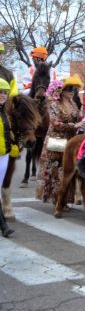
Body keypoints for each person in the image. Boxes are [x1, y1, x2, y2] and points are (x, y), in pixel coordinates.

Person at [36, 76, 85, 204]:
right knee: (56, 171)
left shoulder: (74, 103)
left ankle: (64, 200)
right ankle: (57, 201)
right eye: (68, 89)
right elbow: (55, 123)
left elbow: (77, 119)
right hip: (56, 140)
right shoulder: (54, 104)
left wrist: (84, 120)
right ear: (61, 91)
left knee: (68, 169)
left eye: (73, 89)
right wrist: (74, 125)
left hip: (70, 141)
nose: (72, 92)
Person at [0, 79, 16, 237]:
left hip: (4, 154)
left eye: (5, 92)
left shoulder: (4, 111)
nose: (2, 95)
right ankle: (3, 225)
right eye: (0, 92)